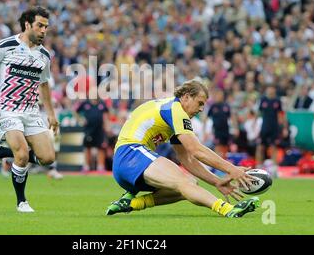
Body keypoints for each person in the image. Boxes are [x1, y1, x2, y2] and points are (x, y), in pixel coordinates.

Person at [106, 79, 259, 218]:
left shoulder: (170, 111)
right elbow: (196, 150)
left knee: (189, 184)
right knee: (185, 182)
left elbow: (186, 158)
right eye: (199, 103)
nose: (201, 109)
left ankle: (131, 203)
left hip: (126, 166)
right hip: (131, 155)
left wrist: (216, 181)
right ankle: (227, 209)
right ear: (186, 97)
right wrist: (231, 169)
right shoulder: (176, 110)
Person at [0, 6, 59, 213]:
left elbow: (44, 83)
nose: (43, 31)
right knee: (21, 154)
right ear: (27, 24)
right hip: (7, 109)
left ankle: (1, 151)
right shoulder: (6, 45)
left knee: (48, 158)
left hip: (31, 111)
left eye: (46, 27)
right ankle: (21, 202)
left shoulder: (44, 55)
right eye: (40, 26)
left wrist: (50, 113)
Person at [76, 96, 110, 172]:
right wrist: (80, 119)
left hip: (100, 129)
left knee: (101, 148)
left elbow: (107, 114)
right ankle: (86, 166)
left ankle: (100, 166)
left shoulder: (102, 103)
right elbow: (76, 111)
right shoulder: (85, 103)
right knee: (87, 147)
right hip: (88, 129)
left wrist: (107, 125)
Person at [256, 84, 284, 176]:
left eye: (272, 88)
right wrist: (255, 126)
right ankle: (259, 167)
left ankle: (274, 169)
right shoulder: (263, 100)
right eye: (269, 89)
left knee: (274, 147)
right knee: (260, 147)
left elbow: (280, 115)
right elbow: (259, 114)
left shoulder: (277, 101)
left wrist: (282, 127)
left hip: (274, 128)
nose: (270, 90)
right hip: (264, 127)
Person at [206, 89, 232, 159]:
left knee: (225, 147)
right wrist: (205, 130)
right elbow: (207, 118)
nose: (219, 96)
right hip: (217, 131)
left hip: (226, 130)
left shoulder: (226, 106)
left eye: (221, 94)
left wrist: (234, 128)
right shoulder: (213, 106)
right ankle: (217, 164)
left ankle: (225, 162)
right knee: (217, 147)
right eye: (218, 94)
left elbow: (231, 118)